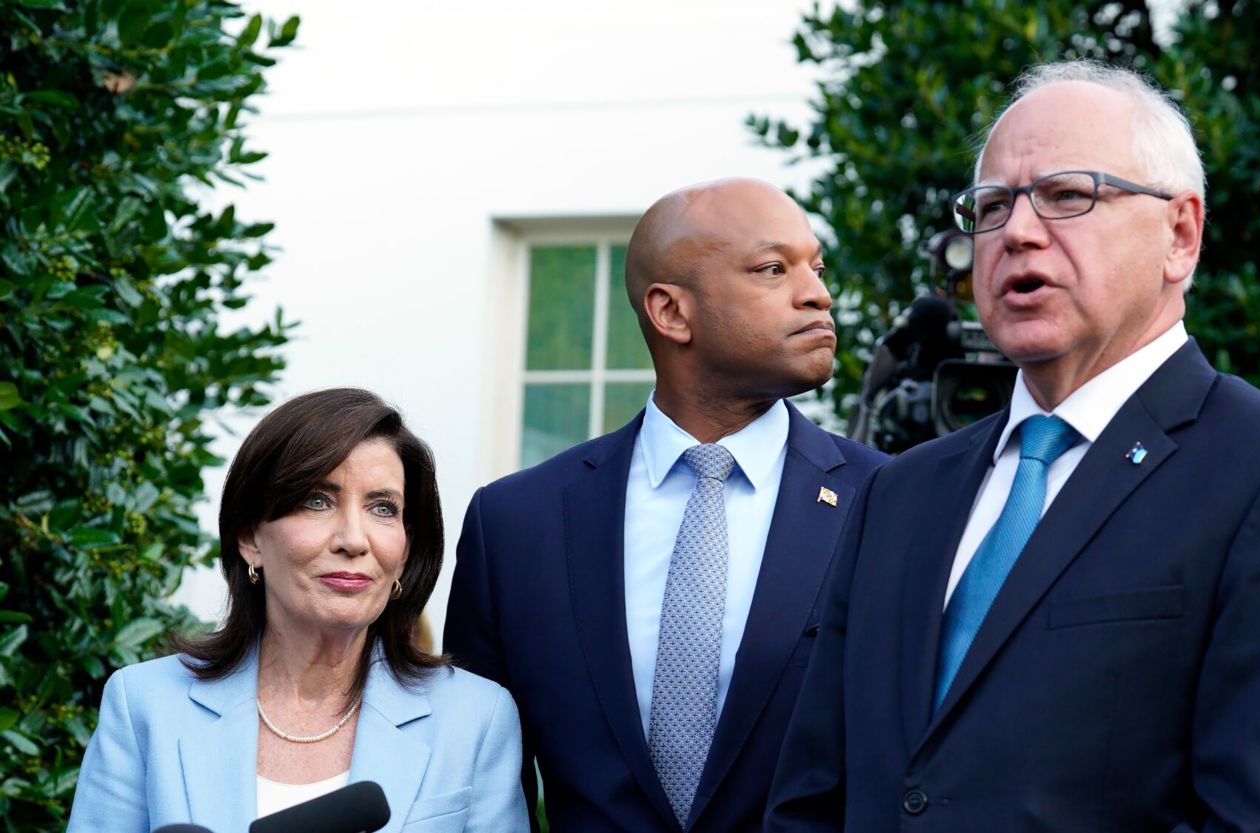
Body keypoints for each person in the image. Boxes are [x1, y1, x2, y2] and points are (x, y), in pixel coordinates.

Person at [766, 61, 1260, 832]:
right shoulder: (900, 493)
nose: (1019, 233)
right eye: (993, 206)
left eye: (1070, 195)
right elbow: (811, 799)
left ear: (1180, 235)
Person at [445, 177, 889, 832]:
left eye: (815, 268)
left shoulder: (889, 502)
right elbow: (477, 787)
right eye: (773, 268)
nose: (818, 294)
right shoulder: (515, 526)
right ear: (671, 312)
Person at [68, 388, 528, 833]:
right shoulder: (145, 703)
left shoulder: (475, 718)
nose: (353, 539)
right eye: (316, 501)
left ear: (406, 552)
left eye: (383, 509)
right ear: (250, 538)